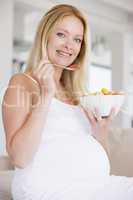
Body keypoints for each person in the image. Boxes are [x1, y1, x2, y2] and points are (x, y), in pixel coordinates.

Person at [2, 4, 133, 200]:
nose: (69, 45)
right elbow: (20, 158)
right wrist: (46, 96)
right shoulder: (22, 83)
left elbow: (100, 161)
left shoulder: (79, 95)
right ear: (45, 36)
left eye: (77, 39)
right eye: (61, 34)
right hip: (49, 189)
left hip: (94, 186)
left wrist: (101, 131)